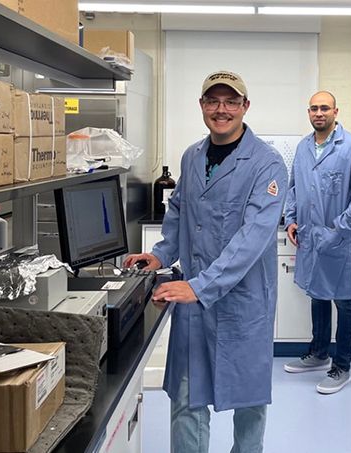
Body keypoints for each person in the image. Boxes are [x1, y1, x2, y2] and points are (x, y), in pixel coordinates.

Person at [123, 70, 288, 453]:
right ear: (202, 106)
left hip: (243, 304)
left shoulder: (266, 163)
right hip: (193, 302)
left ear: (245, 107)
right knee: (187, 398)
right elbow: (179, 211)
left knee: (248, 405)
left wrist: (199, 287)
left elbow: (252, 238)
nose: (221, 110)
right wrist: (160, 254)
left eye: (231, 102)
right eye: (213, 101)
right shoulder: (193, 156)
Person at [282, 91, 351, 394]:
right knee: (316, 293)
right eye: (313, 108)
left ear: (335, 111)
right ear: (309, 112)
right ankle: (319, 353)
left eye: (324, 108)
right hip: (309, 235)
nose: (318, 113)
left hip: (339, 238)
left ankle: (341, 366)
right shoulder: (305, 147)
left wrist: (338, 228)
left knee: (344, 300)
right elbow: (294, 187)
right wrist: (290, 219)